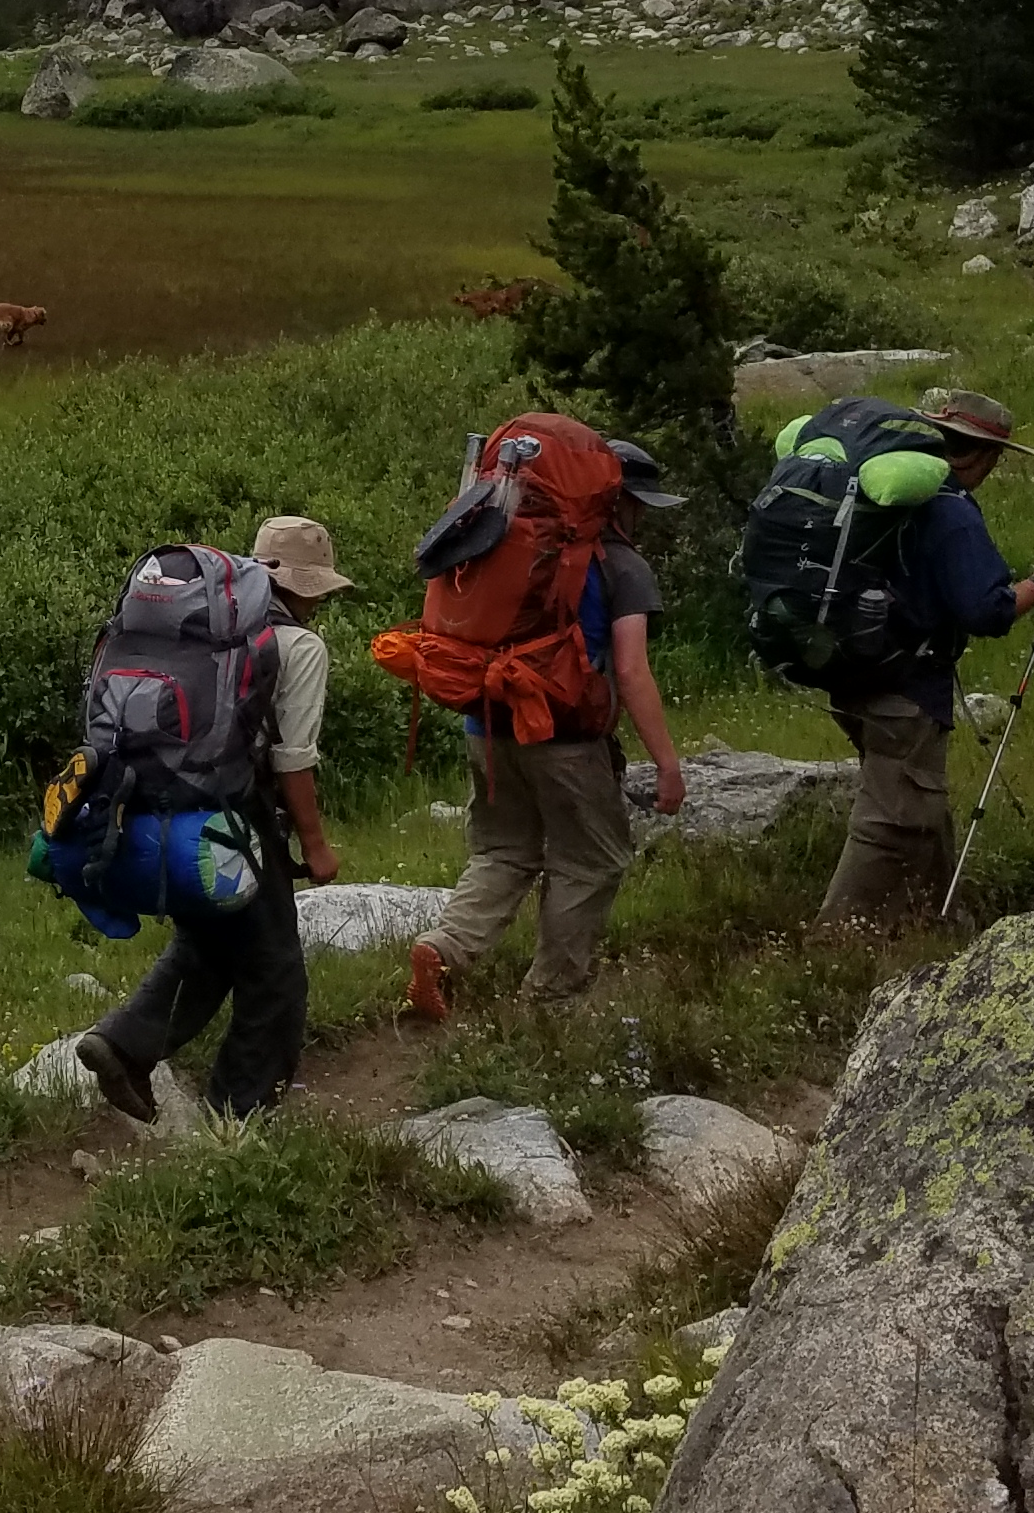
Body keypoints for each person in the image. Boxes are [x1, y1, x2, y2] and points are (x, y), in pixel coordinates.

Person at [77, 516, 349, 1120]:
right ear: (308, 587)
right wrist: (316, 845)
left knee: (210, 943)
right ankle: (238, 1120)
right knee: (276, 976)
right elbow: (294, 761)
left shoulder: (202, 632)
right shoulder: (298, 645)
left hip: (154, 800)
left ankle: (123, 1043)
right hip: (237, 814)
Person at [407, 441, 688, 1020]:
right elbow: (632, 672)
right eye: (637, 504)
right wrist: (666, 763)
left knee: (503, 850)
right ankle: (549, 1002)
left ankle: (444, 947)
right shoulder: (621, 566)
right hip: (565, 738)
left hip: (485, 725)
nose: (641, 517)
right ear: (614, 501)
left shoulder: (498, 538)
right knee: (591, 862)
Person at [817, 391, 1034, 925]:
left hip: (849, 666)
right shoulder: (950, 509)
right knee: (894, 818)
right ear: (987, 455)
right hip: (906, 683)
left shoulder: (884, 490)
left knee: (919, 802)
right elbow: (985, 611)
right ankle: (834, 940)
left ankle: (936, 919)